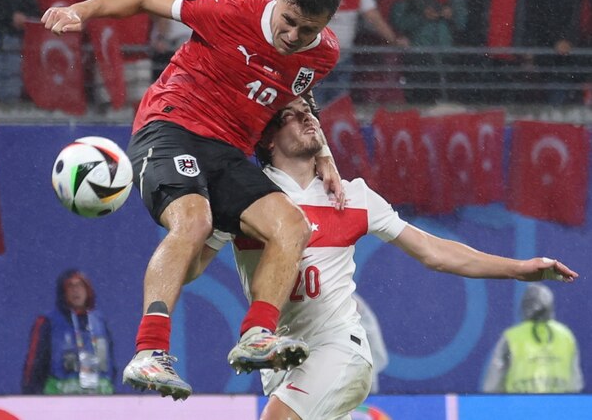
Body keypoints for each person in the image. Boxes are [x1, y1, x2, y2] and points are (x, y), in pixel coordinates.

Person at [42, 0, 346, 400]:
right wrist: (82, 11)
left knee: (292, 226)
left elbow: (296, 90)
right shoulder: (226, 8)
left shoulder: (325, 54)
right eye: (289, 21)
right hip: (170, 127)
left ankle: (258, 334)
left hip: (228, 152)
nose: (294, 36)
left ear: (328, 24)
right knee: (194, 221)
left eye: (308, 29)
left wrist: (324, 153)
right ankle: (149, 351)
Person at [192, 97, 578, 420]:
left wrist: (519, 269)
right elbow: (193, 267)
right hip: (281, 363)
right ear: (267, 139)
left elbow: (435, 252)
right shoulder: (246, 199)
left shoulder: (354, 196)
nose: (308, 117)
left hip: (340, 349)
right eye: (292, 115)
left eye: (310, 110)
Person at [21, 269, 116, 395]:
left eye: (80, 285)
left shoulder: (100, 322)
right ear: (63, 291)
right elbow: (34, 366)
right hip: (60, 400)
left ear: (88, 290)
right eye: (70, 285)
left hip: (99, 398)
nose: (75, 290)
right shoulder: (48, 322)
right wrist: (32, 397)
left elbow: (111, 365)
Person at [482, 283, 584, 394]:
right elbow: (576, 382)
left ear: (524, 306)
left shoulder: (511, 337)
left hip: (520, 406)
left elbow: (493, 382)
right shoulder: (566, 336)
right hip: (558, 406)